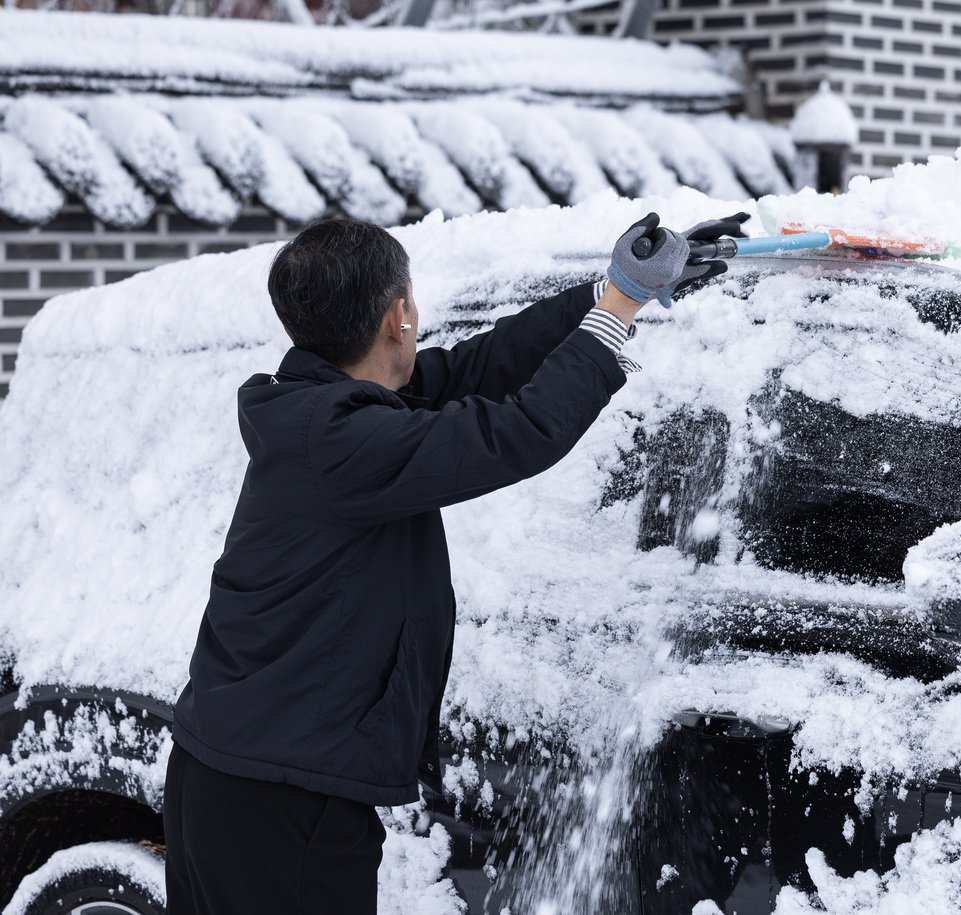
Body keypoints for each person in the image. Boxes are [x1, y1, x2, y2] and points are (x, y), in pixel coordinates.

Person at [162, 211, 745, 914]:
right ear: (398, 314)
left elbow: (478, 368)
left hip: (236, 780)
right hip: (282, 807)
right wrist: (620, 304)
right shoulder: (345, 439)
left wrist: (611, 292)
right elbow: (514, 434)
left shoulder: (323, 410)